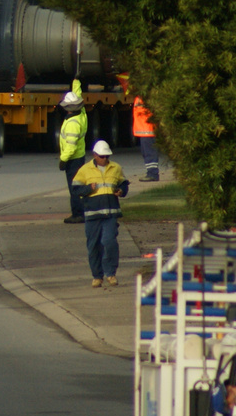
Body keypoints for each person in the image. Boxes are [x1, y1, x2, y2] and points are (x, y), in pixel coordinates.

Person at [72, 139, 128, 287]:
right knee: (93, 246)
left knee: (109, 242)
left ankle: (111, 274)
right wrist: (88, 189)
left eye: (107, 156)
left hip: (110, 214)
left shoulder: (116, 168)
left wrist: (121, 191)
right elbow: (76, 189)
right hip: (92, 215)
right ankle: (97, 276)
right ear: (95, 155)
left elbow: (123, 183)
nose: (105, 159)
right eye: (102, 156)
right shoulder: (85, 170)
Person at [57, 81, 89, 224]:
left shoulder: (72, 124)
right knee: (78, 185)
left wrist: (63, 160)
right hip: (79, 157)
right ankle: (80, 212)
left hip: (73, 159)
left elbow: (70, 146)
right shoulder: (81, 114)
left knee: (74, 188)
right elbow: (78, 95)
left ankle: (77, 214)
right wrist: (76, 83)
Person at [132, 96, 160, 182]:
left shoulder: (146, 95)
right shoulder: (139, 97)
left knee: (149, 153)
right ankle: (151, 173)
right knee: (146, 152)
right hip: (144, 130)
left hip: (148, 130)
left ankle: (153, 174)